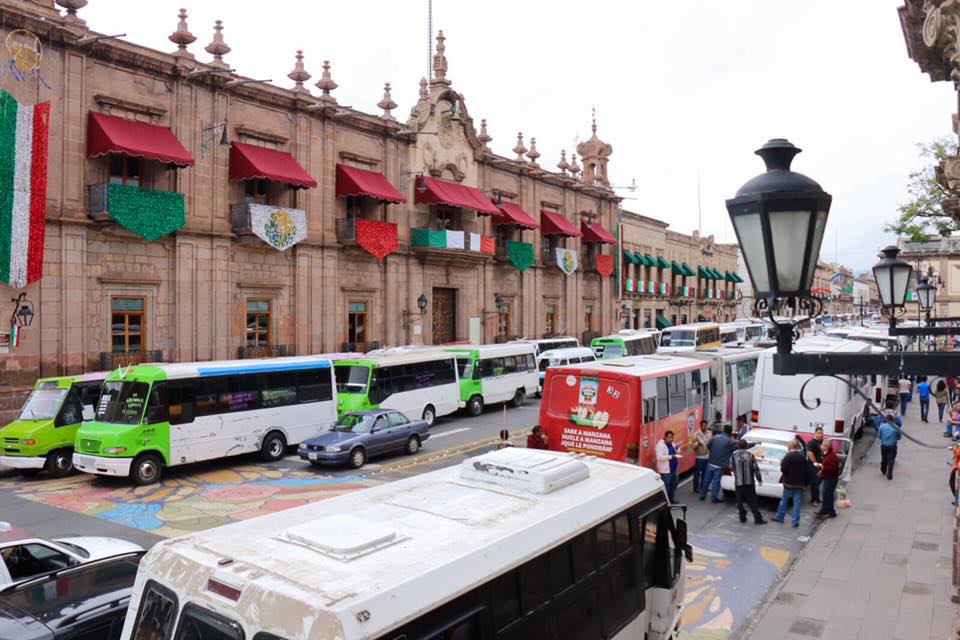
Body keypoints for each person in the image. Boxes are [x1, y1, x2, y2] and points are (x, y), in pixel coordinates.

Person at [731, 439, 767, 524]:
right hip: (749, 483)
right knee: (752, 501)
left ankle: (742, 517)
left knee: (739, 501)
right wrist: (759, 480)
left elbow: (731, 467)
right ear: (746, 446)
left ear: (738, 446)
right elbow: (755, 469)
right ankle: (758, 519)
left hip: (738, 482)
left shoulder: (733, 456)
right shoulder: (751, 456)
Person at [773, 439, 807, 527]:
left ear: (791, 446)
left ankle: (780, 517)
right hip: (799, 484)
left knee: (784, 501)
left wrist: (781, 464)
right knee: (797, 503)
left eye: (788, 445)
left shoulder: (787, 457)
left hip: (788, 484)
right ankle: (795, 522)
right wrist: (805, 483)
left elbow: (784, 470)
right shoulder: (802, 457)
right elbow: (805, 471)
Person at [700, 424, 737, 503]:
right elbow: (742, 445)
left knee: (706, 480)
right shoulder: (730, 441)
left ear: (723, 430)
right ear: (730, 432)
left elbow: (708, 445)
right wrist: (755, 444)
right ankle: (714, 498)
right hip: (720, 465)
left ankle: (702, 495)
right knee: (716, 482)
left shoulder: (715, 437)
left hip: (711, 462)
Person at [815, 440, 840, 518]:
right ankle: (827, 510)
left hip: (830, 479)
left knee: (827, 494)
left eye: (822, 445)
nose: (821, 446)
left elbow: (831, 468)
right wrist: (822, 471)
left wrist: (822, 467)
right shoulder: (828, 455)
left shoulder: (831, 456)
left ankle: (828, 511)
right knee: (826, 494)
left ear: (826, 447)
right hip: (828, 477)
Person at [656, 430, 681, 503]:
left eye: (672, 437)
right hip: (666, 471)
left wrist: (677, 449)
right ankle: (665, 502)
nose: (671, 439)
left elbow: (677, 452)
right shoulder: (660, 445)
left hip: (673, 469)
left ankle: (671, 499)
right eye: (670, 437)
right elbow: (659, 457)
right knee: (666, 487)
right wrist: (670, 457)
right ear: (665, 437)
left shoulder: (672, 443)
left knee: (674, 484)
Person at [689, 419, 712, 494]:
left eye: (706, 425)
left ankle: (703, 487)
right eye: (703, 426)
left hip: (707, 456)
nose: (705, 427)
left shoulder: (709, 433)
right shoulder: (696, 434)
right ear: (701, 426)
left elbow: (711, 442)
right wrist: (698, 444)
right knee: (697, 473)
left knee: (705, 473)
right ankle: (696, 488)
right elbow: (692, 446)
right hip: (700, 457)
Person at [878, 413, 902, 480]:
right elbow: (899, 437)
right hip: (892, 446)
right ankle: (889, 474)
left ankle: (883, 469)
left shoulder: (882, 426)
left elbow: (879, 436)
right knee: (891, 460)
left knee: (884, 457)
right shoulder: (896, 427)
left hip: (884, 445)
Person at [806, 426, 825, 508]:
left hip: (820, 466)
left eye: (822, 433)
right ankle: (814, 500)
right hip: (813, 466)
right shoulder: (812, 442)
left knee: (819, 482)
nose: (821, 435)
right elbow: (810, 453)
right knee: (815, 483)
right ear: (815, 433)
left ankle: (817, 498)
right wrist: (816, 463)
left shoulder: (821, 442)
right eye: (819, 433)